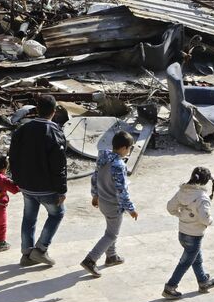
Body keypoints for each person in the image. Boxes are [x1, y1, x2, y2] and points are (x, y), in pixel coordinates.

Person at [9, 94, 67, 267]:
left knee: (29, 218)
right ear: (54, 111)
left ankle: (26, 254)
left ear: (37, 110)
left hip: (26, 186)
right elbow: (59, 165)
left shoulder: (22, 130)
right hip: (47, 188)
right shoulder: (55, 132)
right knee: (57, 213)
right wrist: (62, 189)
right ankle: (40, 250)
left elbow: (13, 157)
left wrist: (17, 180)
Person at [80, 130, 138, 277]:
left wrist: (95, 195)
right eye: (130, 148)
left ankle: (111, 256)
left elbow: (95, 177)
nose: (129, 152)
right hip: (114, 205)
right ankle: (90, 260)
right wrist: (131, 209)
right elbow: (122, 190)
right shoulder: (119, 165)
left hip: (103, 202)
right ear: (124, 148)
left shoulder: (103, 158)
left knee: (111, 230)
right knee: (112, 234)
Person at [162, 167, 214, 299]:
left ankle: (203, 281)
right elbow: (204, 218)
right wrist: (209, 221)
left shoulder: (182, 191)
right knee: (185, 263)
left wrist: (181, 215)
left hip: (182, 233)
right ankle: (170, 287)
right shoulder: (202, 198)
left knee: (196, 259)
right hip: (195, 235)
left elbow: (170, 207)